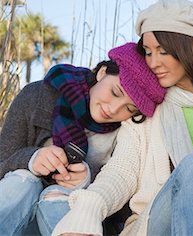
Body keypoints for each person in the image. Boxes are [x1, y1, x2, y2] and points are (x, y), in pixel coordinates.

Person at [53, 0, 193, 236]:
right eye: (147, 52)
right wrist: (88, 209)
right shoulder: (147, 111)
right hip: (153, 225)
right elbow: (122, 171)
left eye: (163, 51)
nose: (153, 63)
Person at [0, 42, 166, 236]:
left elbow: (128, 206)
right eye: (115, 92)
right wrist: (32, 159)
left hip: (69, 220)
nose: (113, 109)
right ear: (102, 72)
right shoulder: (35, 95)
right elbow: (2, 163)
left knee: (57, 199)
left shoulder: (129, 130)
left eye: (129, 108)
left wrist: (88, 178)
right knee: (24, 182)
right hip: (15, 214)